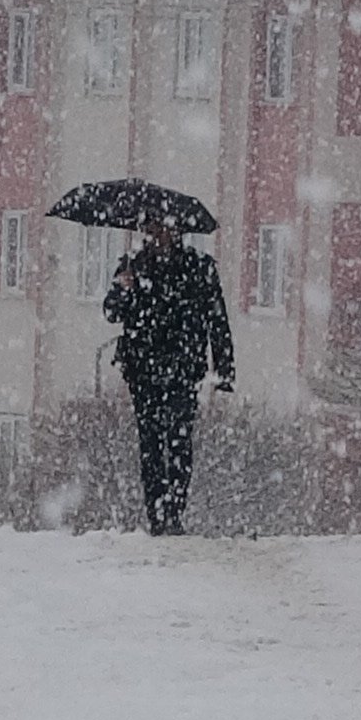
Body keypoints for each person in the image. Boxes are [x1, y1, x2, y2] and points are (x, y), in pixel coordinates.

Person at [102, 222, 234, 535]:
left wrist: (225, 367)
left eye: (165, 230)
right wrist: (123, 288)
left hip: (183, 369)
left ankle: (173, 512)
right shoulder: (133, 266)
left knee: (178, 440)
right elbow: (111, 312)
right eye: (152, 229)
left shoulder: (199, 268)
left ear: (178, 233)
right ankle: (157, 516)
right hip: (142, 368)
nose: (158, 236)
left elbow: (217, 319)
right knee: (150, 443)